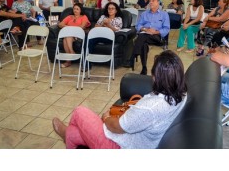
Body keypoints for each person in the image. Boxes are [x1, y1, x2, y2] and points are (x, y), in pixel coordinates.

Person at [52, 50, 187, 149]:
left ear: (157, 78)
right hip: (138, 140)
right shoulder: (182, 94)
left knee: (79, 112)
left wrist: (106, 118)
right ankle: (69, 136)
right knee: (79, 131)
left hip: (118, 146)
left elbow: (117, 127)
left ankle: (68, 137)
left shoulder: (151, 107)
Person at [129, 0, 170, 75]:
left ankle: (134, 54)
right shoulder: (144, 14)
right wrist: (145, 29)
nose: (150, 2)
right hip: (145, 34)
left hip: (157, 36)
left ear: (158, 3)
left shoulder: (164, 14)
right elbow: (138, 25)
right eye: (150, 1)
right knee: (143, 43)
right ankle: (144, 68)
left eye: (153, 0)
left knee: (141, 37)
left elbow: (166, 29)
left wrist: (155, 32)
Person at [85, 2, 123, 71]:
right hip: (99, 35)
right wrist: (103, 24)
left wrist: (108, 25)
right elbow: (96, 26)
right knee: (88, 39)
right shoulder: (103, 17)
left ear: (116, 10)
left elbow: (116, 30)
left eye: (112, 9)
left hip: (110, 37)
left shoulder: (118, 19)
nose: (110, 10)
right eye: (109, 8)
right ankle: (87, 63)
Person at [57, 3, 90, 68]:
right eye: (74, 9)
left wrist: (68, 27)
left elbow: (82, 27)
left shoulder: (84, 17)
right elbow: (60, 24)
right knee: (65, 39)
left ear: (80, 10)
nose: (75, 10)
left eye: (77, 9)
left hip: (79, 35)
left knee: (67, 36)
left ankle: (69, 60)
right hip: (69, 35)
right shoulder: (69, 17)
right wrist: (69, 27)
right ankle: (70, 57)